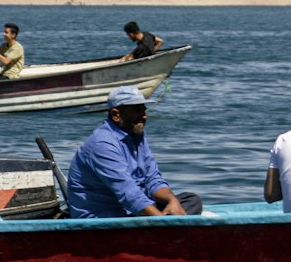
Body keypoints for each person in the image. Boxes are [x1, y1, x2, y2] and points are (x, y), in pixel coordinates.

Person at [67, 85, 202, 217]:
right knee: (170, 214)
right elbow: (128, 193)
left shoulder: (136, 134)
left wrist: (172, 201)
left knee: (190, 200)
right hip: (105, 216)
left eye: (144, 110)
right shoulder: (102, 145)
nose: (144, 116)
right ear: (116, 115)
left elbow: (153, 179)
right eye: (137, 110)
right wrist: (163, 223)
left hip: (132, 209)